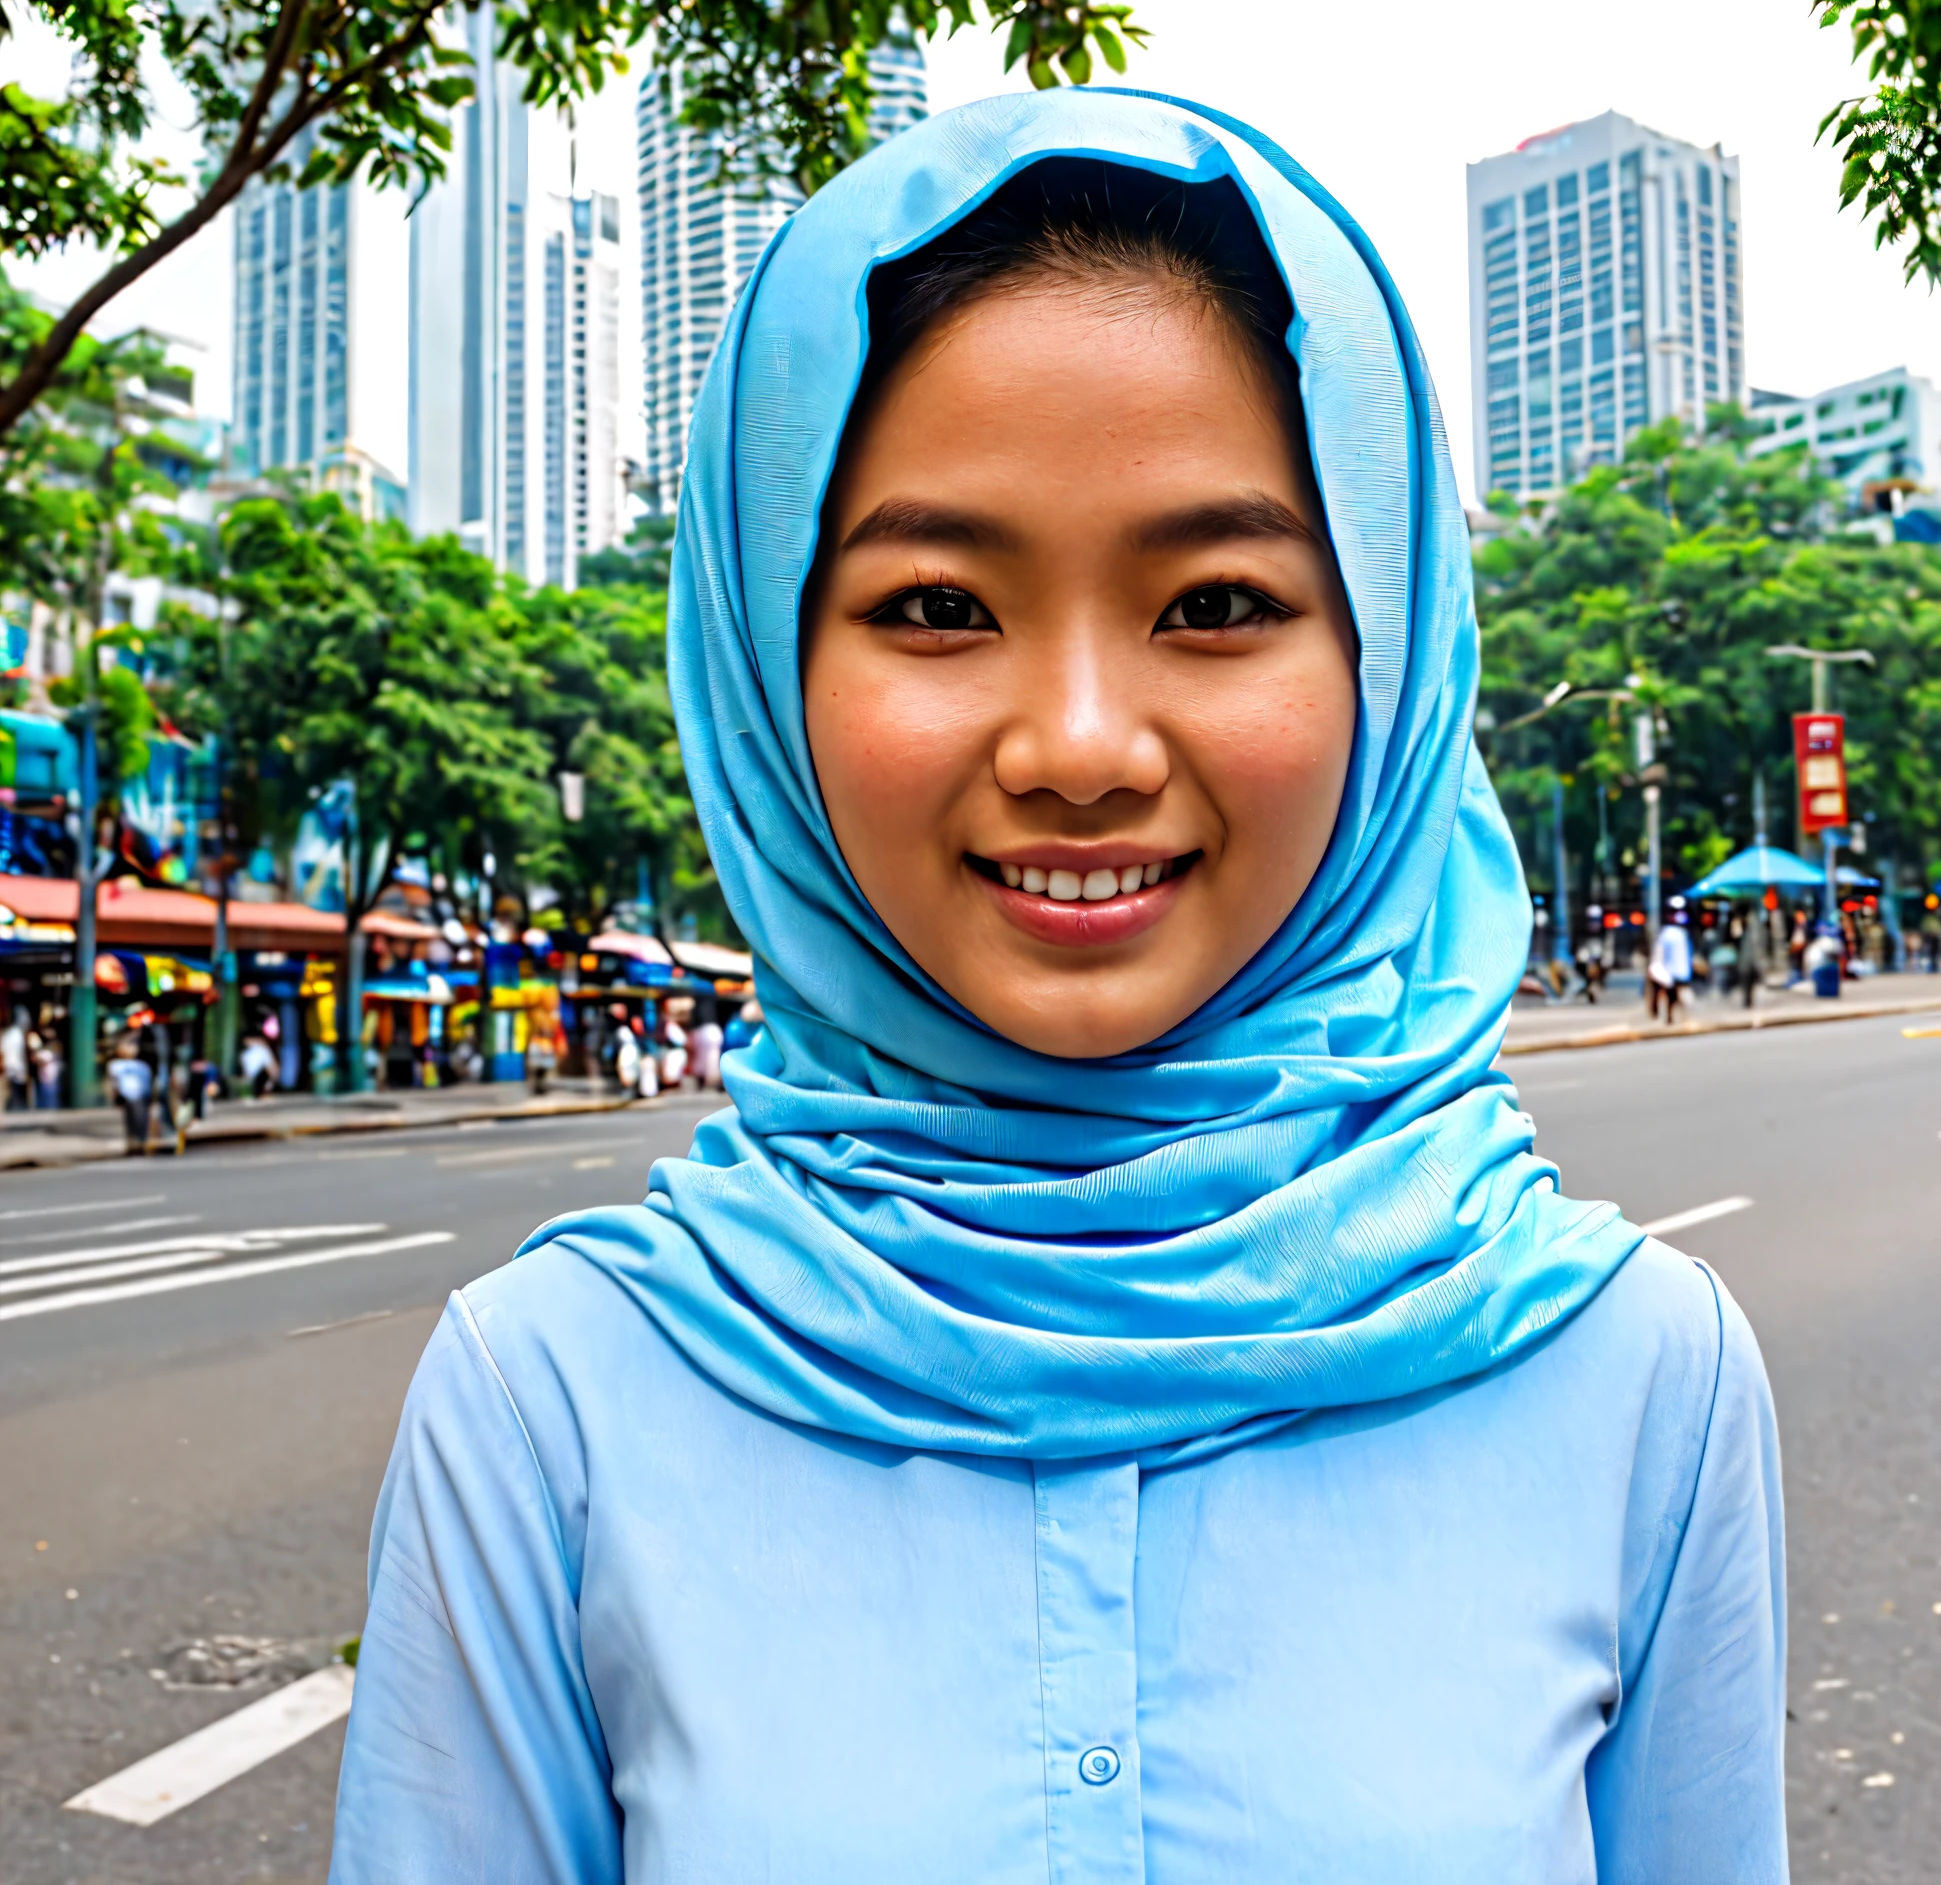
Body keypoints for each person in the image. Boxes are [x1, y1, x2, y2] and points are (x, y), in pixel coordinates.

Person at [330, 95, 1785, 1882]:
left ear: (1383, 658)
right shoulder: (549, 1403)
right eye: (938, 606)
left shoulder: (1634, 1378)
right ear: (764, 660)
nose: (1081, 747)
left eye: (1214, 602)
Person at [106, 1035, 154, 1155]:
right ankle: (133, 1143)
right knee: (131, 1121)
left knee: (141, 1121)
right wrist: (115, 1096)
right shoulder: (115, 1065)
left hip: (140, 1096)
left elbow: (147, 1082)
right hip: (127, 1096)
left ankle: (140, 1143)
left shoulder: (142, 1066)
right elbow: (113, 1083)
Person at [687, 1001, 724, 1092]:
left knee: (702, 1058)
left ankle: (707, 1080)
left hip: (703, 1031)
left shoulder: (697, 1003)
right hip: (714, 1030)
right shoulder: (713, 999)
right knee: (713, 1057)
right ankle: (712, 1080)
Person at [1735, 906, 1767, 1010]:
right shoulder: (1749, 927)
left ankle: (1747, 1002)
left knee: (1748, 982)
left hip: (1749, 962)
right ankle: (1747, 1002)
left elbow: (1755, 946)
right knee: (1747, 983)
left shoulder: (1753, 928)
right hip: (1748, 961)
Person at [1, 1008, 28, 1111]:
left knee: (14, 1087)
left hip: (12, 1064)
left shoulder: (9, 1034)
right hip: (15, 1064)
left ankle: (15, 1106)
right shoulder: (16, 1034)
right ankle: (16, 1106)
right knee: (15, 1088)